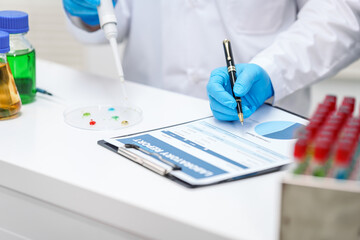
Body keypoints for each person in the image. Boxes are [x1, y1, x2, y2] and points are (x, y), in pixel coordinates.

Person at [63, 0, 360, 120]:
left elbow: (341, 10)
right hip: (147, 118)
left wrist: (273, 71)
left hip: (259, 122)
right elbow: (117, 15)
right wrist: (91, 13)